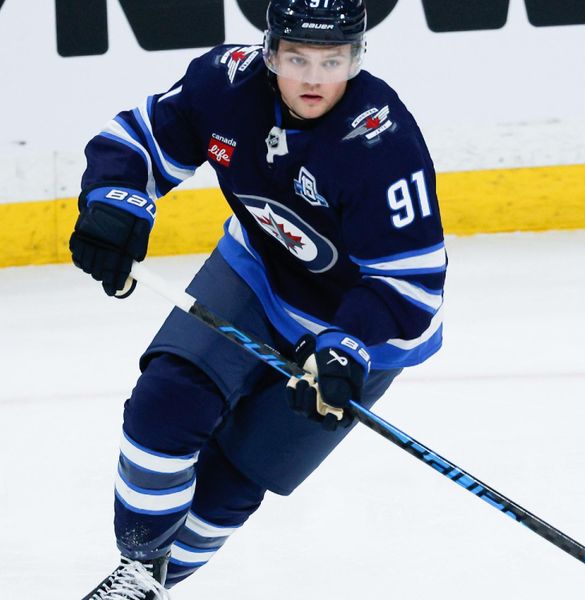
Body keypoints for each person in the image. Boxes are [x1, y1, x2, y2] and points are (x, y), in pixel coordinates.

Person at [70, 1, 446, 598]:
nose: (313, 78)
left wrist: (347, 347)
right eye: (296, 58)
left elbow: (409, 283)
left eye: (333, 60)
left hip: (363, 326)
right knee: (167, 398)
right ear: (270, 52)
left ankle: (155, 585)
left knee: (239, 475)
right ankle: (138, 569)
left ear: (358, 56)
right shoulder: (224, 85)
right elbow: (139, 137)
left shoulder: (382, 141)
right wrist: (116, 205)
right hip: (257, 273)